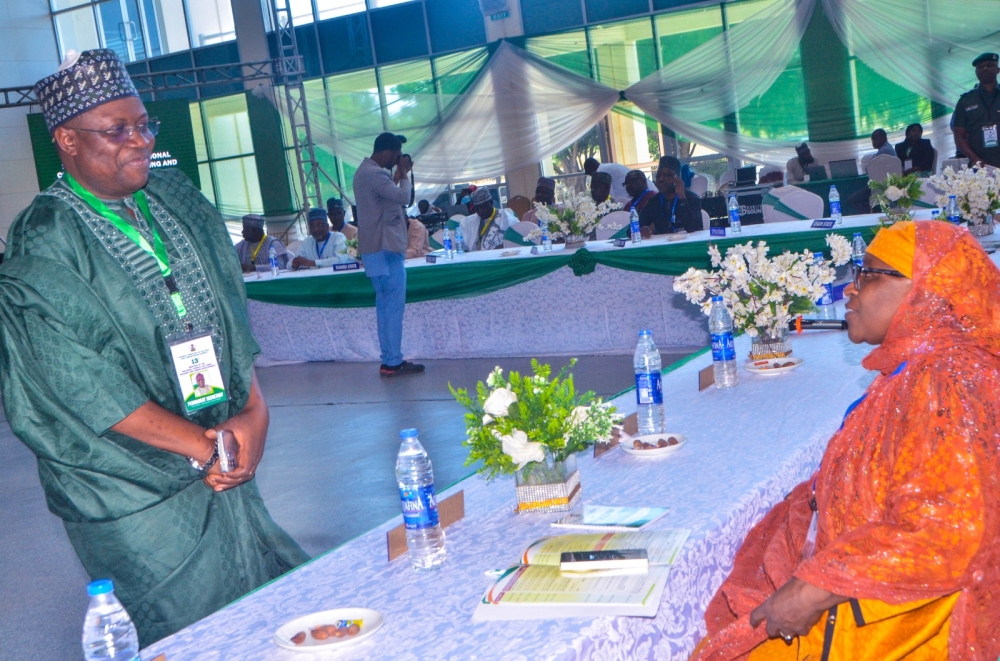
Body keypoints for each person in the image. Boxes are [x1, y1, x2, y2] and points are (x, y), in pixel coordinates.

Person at [0, 49, 308, 646]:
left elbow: (224, 308)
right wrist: (203, 447)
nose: (139, 141)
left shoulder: (173, 198)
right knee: (185, 632)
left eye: (144, 125)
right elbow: (75, 383)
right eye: (118, 131)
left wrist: (254, 411)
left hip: (222, 452)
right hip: (132, 489)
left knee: (260, 614)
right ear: (66, 139)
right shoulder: (44, 240)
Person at [692, 221, 1000, 661]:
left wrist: (812, 590)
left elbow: (950, 529)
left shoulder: (945, 381)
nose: (849, 292)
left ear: (931, 289)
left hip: (887, 620)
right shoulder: (918, 367)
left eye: (870, 275)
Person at [354, 132, 424, 377]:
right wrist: (404, 174)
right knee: (393, 308)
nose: (396, 161)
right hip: (386, 249)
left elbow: (386, 198)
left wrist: (396, 175)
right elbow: (404, 197)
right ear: (386, 152)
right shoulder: (375, 174)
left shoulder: (363, 172)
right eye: (395, 157)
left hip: (373, 251)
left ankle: (389, 360)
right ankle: (393, 362)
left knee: (384, 307)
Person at [953, 52, 1000, 167]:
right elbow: (959, 135)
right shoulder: (966, 100)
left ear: (998, 70)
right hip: (979, 165)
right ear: (976, 73)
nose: (985, 69)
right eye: (980, 67)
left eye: (989, 65)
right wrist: (975, 159)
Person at [638, 156, 703, 236]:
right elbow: (631, 230)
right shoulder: (654, 201)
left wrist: (682, 197)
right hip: (662, 246)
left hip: (687, 244)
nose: (661, 179)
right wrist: (641, 230)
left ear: (677, 178)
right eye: (658, 176)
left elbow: (695, 228)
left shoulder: (692, 198)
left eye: (667, 175)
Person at [457, 188, 517, 252]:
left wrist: (505, 245)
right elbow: (462, 247)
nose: (481, 211)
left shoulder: (507, 218)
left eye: (483, 207)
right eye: (477, 208)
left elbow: (516, 239)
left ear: (491, 202)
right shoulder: (467, 222)